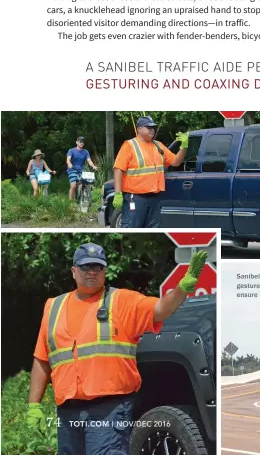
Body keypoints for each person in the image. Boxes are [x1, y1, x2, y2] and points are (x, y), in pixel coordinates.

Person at [26, 242, 207, 455]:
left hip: (109, 410)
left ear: (105, 271)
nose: (92, 272)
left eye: (98, 267)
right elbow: (42, 359)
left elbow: (160, 309)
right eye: (85, 267)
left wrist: (182, 289)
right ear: (74, 271)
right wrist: (34, 406)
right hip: (67, 412)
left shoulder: (121, 301)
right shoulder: (53, 307)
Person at [112, 116, 189, 228]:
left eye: (153, 127)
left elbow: (176, 162)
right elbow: (118, 169)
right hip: (136, 198)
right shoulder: (129, 145)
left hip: (155, 199)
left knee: (152, 233)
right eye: (149, 127)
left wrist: (183, 147)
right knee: (132, 230)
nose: (152, 130)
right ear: (139, 129)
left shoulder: (158, 146)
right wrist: (118, 193)